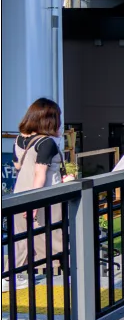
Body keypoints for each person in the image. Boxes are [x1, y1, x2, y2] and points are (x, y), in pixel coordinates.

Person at [12, 98, 69, 281]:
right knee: (50, 239)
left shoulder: (19, 139)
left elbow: (18, 166)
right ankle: (54, 279)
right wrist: (35, 202)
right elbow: (40, 173)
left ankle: (15, 277)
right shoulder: (46, 143)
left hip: (19, 195)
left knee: (21, 240)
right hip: (45, 198)